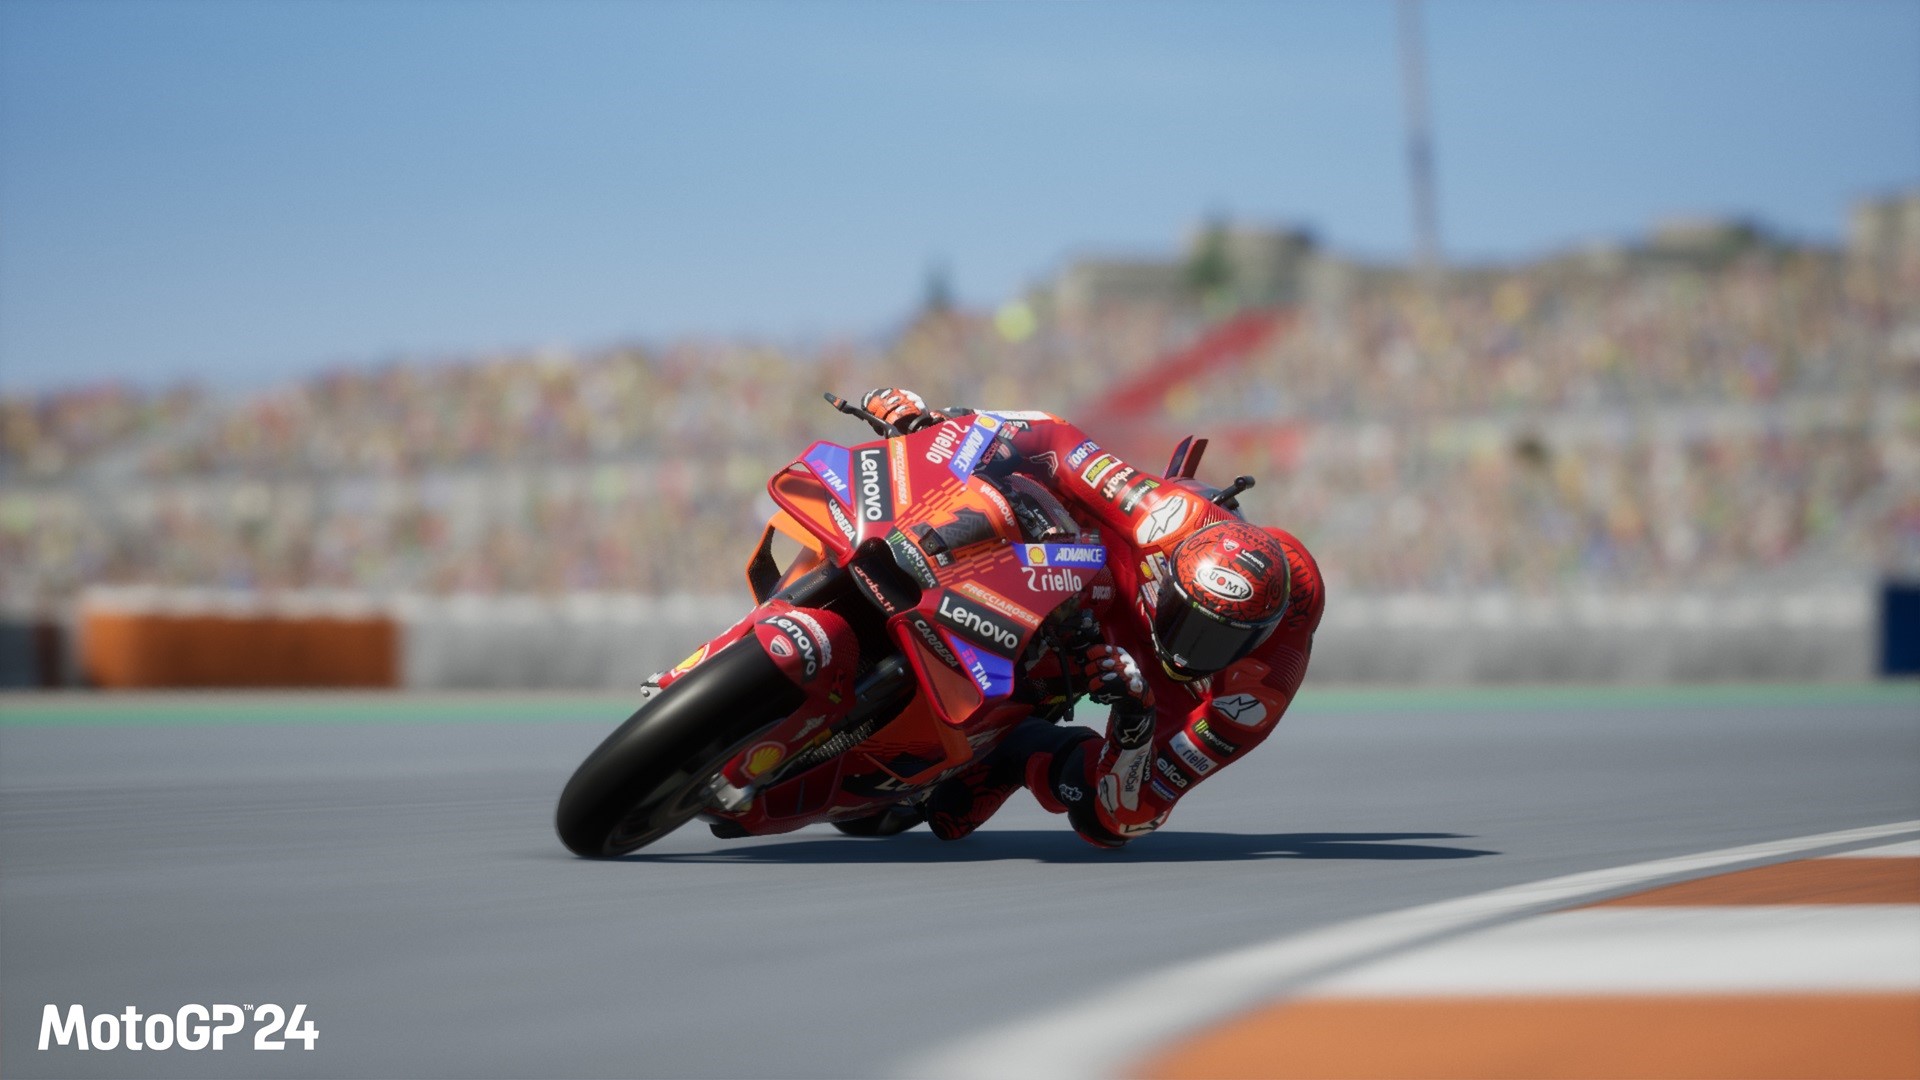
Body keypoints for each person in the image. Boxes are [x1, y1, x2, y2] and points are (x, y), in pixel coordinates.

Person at [852, 388, 1326, 848]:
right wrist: (940, 426)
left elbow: (1133, 815)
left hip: (1143, 684)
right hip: (1087, 573)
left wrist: (1134, 721)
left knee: (1101, 822)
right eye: (1187, 620)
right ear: (1169, 569)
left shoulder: (1255, 695)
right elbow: (1052, 436)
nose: (1188, 649)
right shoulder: (1165, 516)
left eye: (1216, 641)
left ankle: (1020, 748)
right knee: (1020, 487)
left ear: (1259, 637)